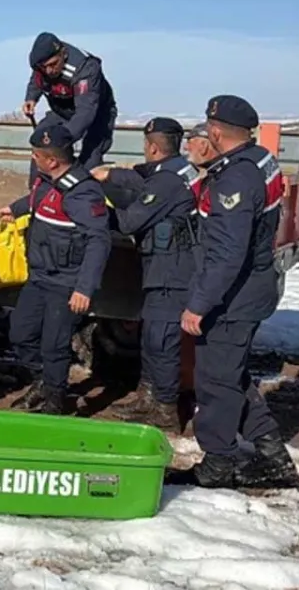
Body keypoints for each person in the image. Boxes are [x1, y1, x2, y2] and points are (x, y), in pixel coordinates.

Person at [179, 95, 299, 490]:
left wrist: (199, 304)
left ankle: (218, 464)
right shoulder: (257, 159)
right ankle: (272, 456)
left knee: (215, 381)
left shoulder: (235, 178)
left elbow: (228, 252)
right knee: (230, 377)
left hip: (234, 296)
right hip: (249, 287)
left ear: (215, 131)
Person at [90, 117, 201, 432]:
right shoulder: (179, 169)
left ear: (152, 147)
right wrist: (111, 174)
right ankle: (147, 398)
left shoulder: (166, 182)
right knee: (152, 338)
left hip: (171, 273)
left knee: (160, 342)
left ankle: (163, 409)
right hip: (168, 268)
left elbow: (128, 223)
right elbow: (142, 177)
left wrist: (96, 208)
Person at [0, 122, 112, 414]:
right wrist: (16, 208)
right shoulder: (47, 181)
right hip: (40, 276)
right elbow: (38, 200)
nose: (33, 159)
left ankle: (55, 402)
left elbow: (99, 240)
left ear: (52, 160)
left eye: (36, 155)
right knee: (21, 334)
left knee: (54, 345)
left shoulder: (83, 193)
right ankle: (44, 382)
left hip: (66, 281)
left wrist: (84, 288)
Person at [21, 32, 118, 173]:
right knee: (41, 142)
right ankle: (39, 192)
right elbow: (37, 79)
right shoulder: (42, 66)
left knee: (90, 162)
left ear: (63, 54)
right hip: (62, 109)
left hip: (96, 114)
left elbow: (85, 112)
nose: (49, 70)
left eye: (53, 64)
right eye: (44, 67)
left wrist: (62, 139)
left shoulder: (85, 68)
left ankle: (83, 191)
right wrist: (31, 98)